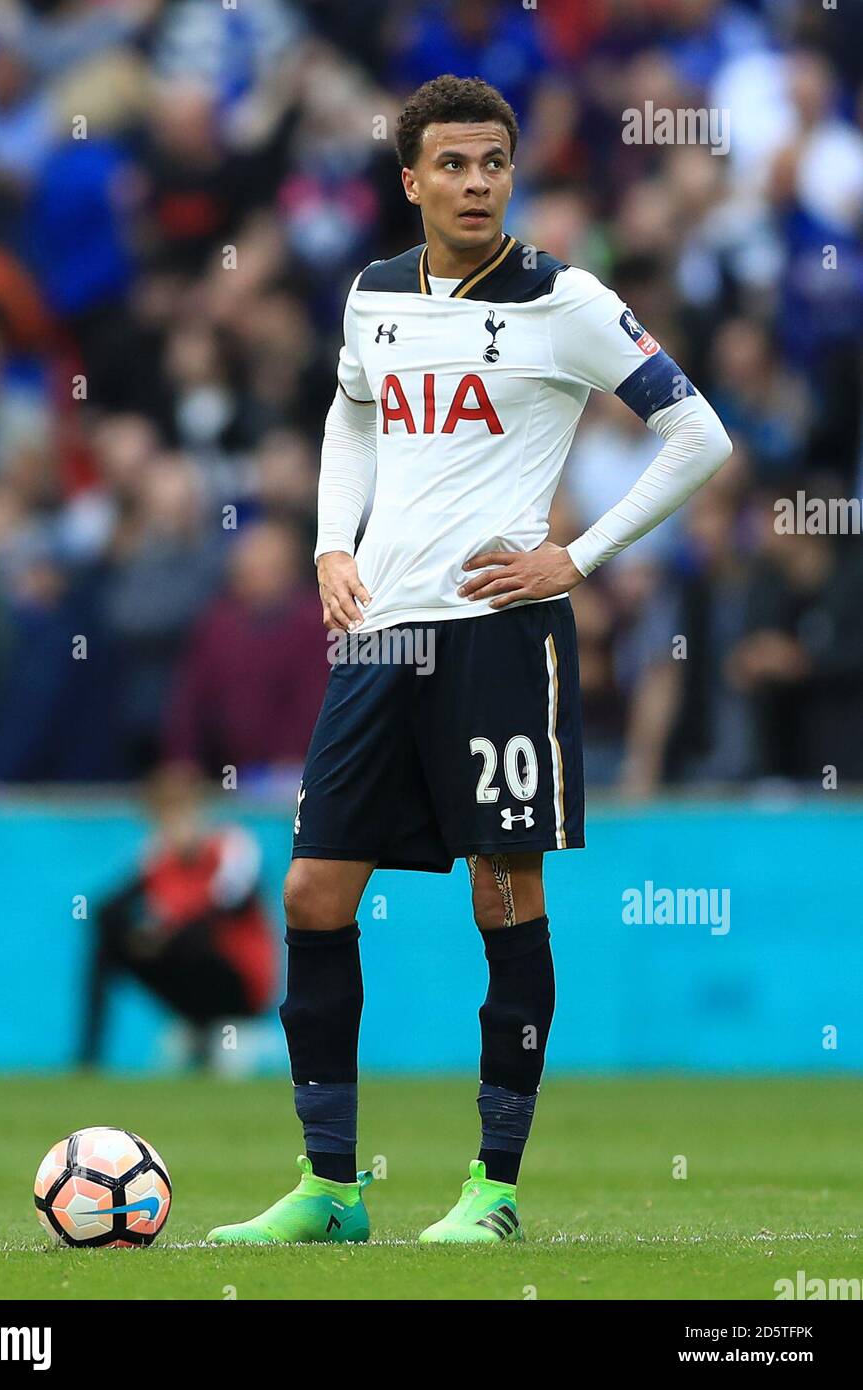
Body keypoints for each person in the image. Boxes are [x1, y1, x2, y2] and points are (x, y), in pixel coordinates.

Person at [206, 75, 731, 1246]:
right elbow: (351, 416)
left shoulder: (566, 298)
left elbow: (699, 431)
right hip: (379, 631)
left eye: (493, 161)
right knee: (311, 889)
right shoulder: (374, 294)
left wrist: (577, 557)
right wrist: (333, 542)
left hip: (500, 635)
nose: (477, 181)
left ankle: (491, 1190)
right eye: (452, 163)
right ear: (411, 180)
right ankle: (330, 1186)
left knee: (506, 894)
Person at [81, 763, 276, 1068]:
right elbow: (107, 910)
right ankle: (88, 1058)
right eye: (165, 818)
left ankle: (209, 1029)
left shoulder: (233, 847)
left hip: (240, 984)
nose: (176, 826)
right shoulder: (158, 859)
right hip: (186, 972)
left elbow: (226, 908)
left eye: (182, 814)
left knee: (191, 937)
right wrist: (140, 937)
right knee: (109, 940)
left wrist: (160, 933)